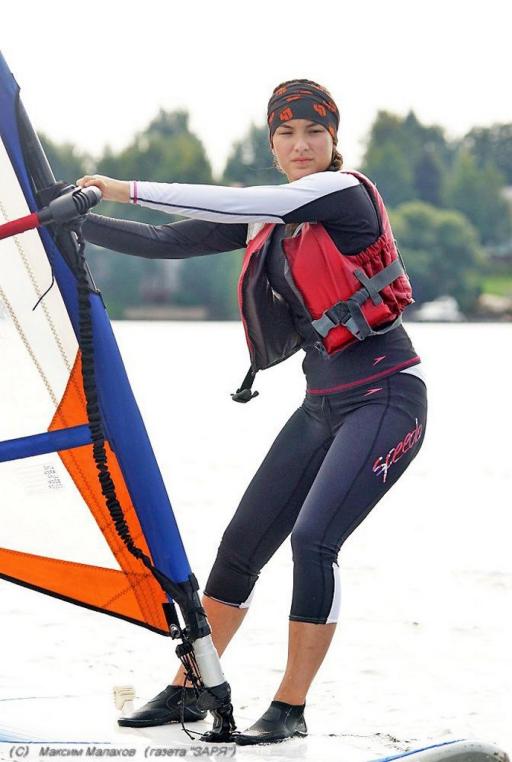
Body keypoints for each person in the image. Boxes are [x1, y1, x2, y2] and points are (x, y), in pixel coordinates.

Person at [78, 79, 428, 746]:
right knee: (240, 547)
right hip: (322, 406)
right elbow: (167, 242)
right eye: (286, 134)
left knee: (313, 540)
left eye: (314, 133)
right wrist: (71, 220)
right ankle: (190, 691)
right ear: (272, 144)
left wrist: (119, 187)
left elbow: (238, 201)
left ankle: (289, 708)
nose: (301, 145)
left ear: (333, 140)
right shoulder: (272, 216)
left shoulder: (342, 194)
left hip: (388, 398)